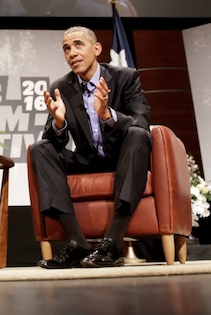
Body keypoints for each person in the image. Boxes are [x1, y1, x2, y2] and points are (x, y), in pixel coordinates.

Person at [29, 26, 152, 268]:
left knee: (138, 135)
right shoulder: (61, 87)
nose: (72, 53)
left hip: (123, 157)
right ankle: (77, 243)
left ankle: (113, 242)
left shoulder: (125, 77)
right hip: (88, 159)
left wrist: (108, 115)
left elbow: (142, 121)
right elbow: (54, 141)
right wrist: (59, 122)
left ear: (96, 49)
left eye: (78, 45)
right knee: (40, 148)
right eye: (66, 48)